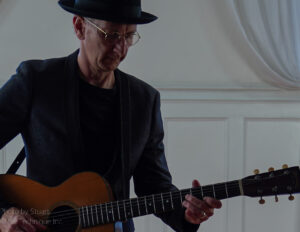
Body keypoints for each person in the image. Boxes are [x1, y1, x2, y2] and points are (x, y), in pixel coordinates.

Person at [0, 0, 222, 231]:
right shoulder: (36, 81)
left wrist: (187, 215)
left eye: (129, 37)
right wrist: (4, 213)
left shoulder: (144, 100)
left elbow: (154, 186)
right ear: (79, 27)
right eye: (111, 34)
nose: (121, 49)